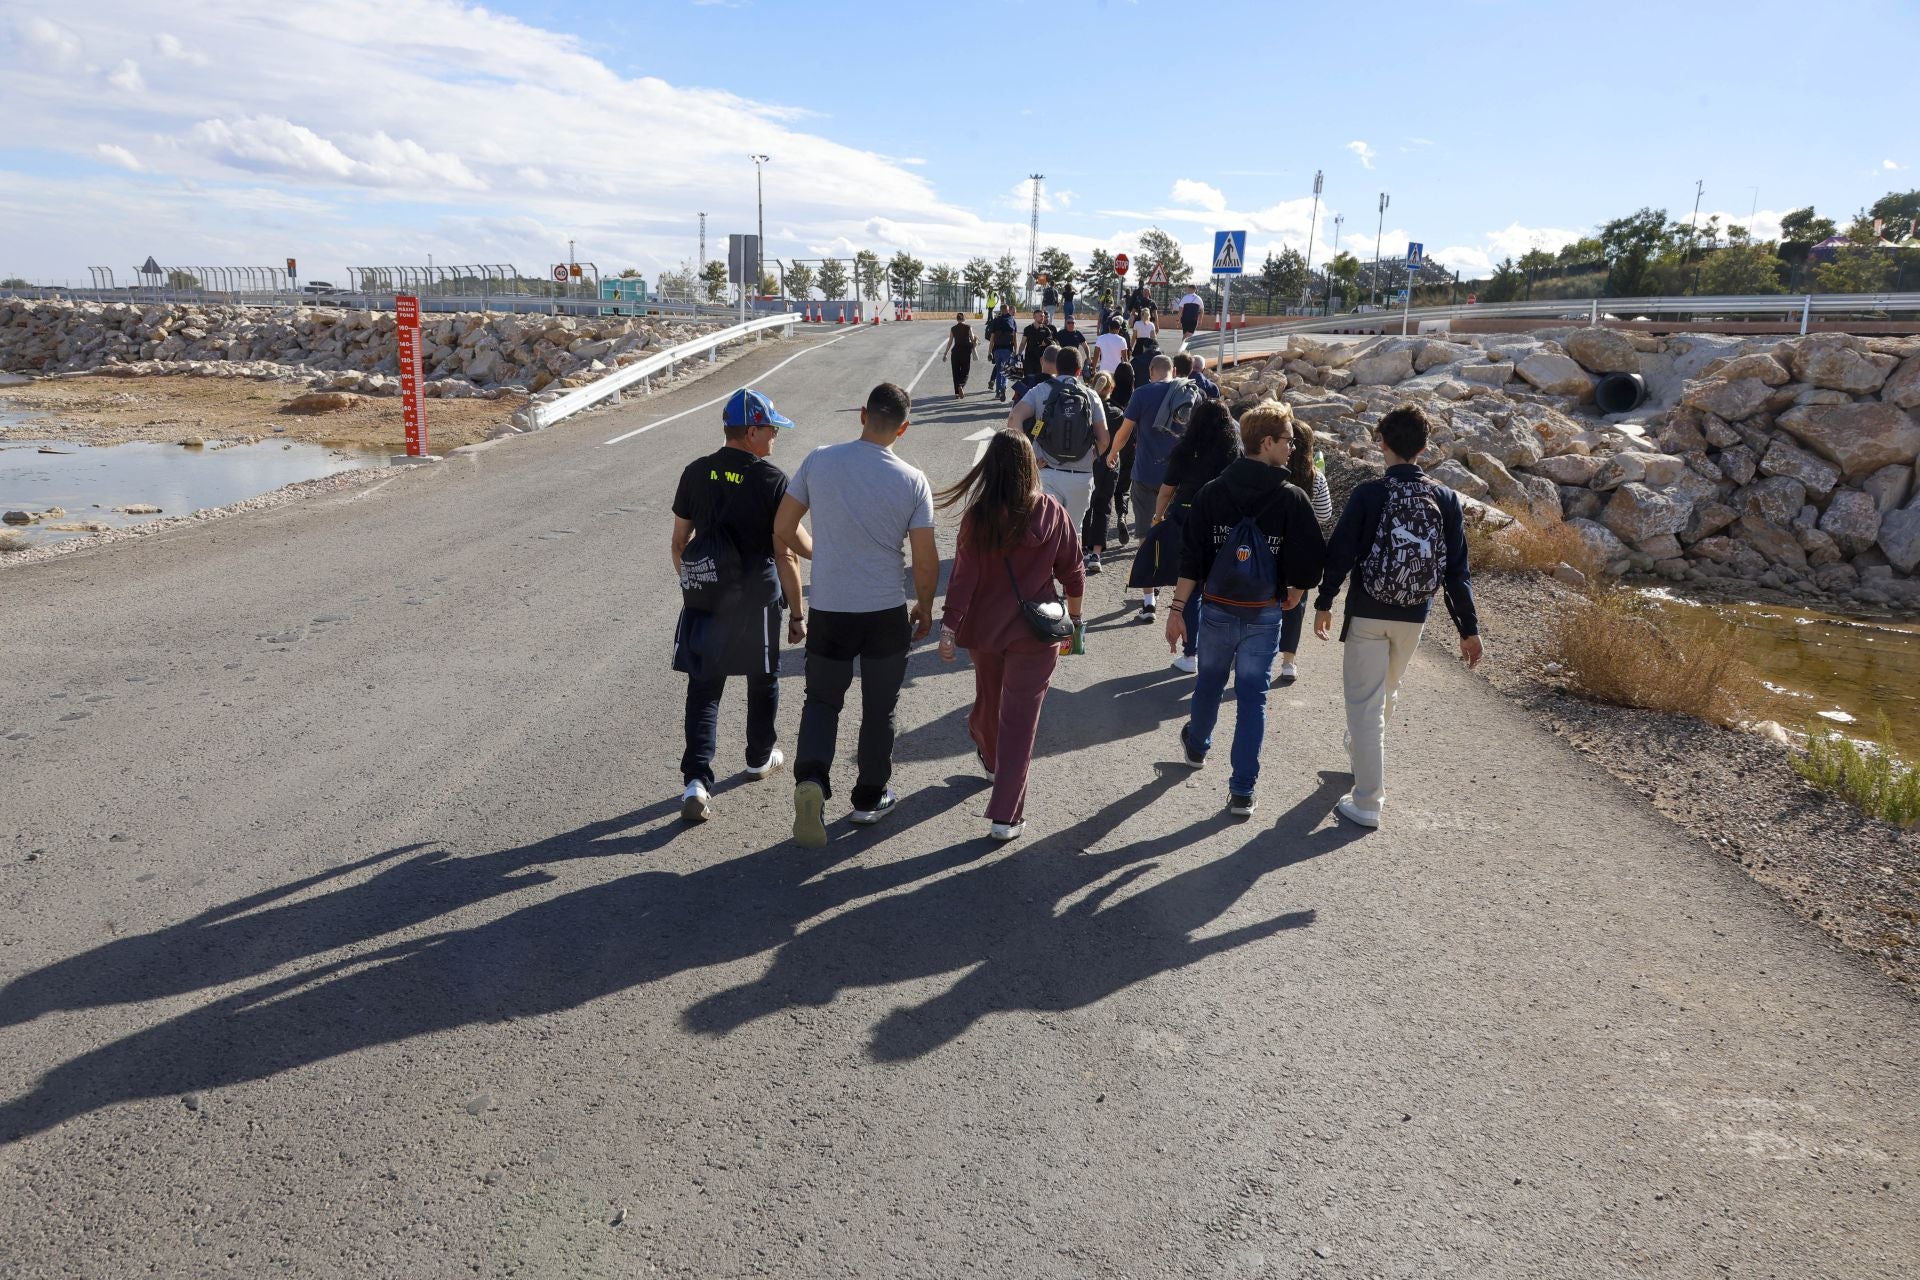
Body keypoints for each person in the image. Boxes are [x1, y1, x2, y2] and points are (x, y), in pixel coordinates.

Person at [774, 382, 938, 847]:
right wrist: (924, 606)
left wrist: (818, 550)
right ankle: (868, 797)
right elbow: (925, 559)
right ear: (903, 428)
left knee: (822, 701)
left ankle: (811, 780)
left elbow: (784, 528)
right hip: (884, 610)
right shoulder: (912, 479)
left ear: (862, 414)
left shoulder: (819, 460)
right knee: (879, 709)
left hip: (829, 608)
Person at [1313, 404, 1482, 830]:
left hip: (1369, 611)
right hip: (1414, 616)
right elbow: (1457, 570)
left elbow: (1341, 553)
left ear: (1382, 443)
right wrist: (1468, 629)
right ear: (1424, 448)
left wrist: (1325, 601)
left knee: (1365, 705)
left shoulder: (1370, 494)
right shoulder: (1445, 499)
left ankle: (1368, 801)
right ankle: (1360, 754)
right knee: (1384, 695)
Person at [1167, 401, 1327, 817]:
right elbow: (1312, 557)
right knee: (1252, 696)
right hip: (1264, 611)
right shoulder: (1291, 498)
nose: (1293, 447)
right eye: (1288, 440)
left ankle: (1198, 746)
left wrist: (1176, 608)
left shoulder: (1212, 493)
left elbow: (1192, 560)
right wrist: (1295, 590)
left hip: (1218, 606)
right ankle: (1242, 790)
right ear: (1267, 442)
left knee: (1210, 681)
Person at [937, 432, 1086, 841]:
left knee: (989, 699)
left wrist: (948, 630)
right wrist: (1074, 622)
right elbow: (1073, 572)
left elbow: (962, 580)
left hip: (986, 630)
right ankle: (1006, 815)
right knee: (1020, 720)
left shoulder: (977, 516)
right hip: (1036, 633)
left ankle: (989, 755)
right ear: (1028, 464)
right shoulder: (1052, 512)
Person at [670, 388, 808, 823]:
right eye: (771, 429)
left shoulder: (695, 472)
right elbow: (787, 551)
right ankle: (759, 756)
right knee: (763, 680)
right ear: (751, 431)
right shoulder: (771, 481)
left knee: (704, 689)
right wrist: (799, 613)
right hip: (757, 599)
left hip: (706, 598)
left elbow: (678, 543)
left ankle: (696, 782)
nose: (775, 437)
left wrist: (697, 583)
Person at [1104, 354, 1201, 621]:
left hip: (1146, 474)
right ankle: (1181, 601)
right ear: (1173, 371)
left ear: (1151, 370)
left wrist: (1112, 452)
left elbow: (1124, 432)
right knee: (1178, 536)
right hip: (1180, 479)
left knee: (1146, 536)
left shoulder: (1142, 394)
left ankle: (1149, 603)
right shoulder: (1192, 393)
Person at [1154, 398, 1241, 673]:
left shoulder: (1187, 448)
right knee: (1221, 590)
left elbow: (1168, 488)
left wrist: (1158, 516)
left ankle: (1190, 655)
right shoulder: (1235, 452)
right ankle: (1227, 652)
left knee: (1189, 585)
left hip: (1187, 518)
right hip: (1223, 523)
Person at [1007, 343, 1108, 541]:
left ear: (1056, 367)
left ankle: (1046, 571)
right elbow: (1104, 438)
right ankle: (1071, 571)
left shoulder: (1040, 390)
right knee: (1073, 532)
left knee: (1045, 531)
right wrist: (1091, 456)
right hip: (1081, 475)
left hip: (1047, 471)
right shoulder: (1091, 395)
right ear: (1079, 371)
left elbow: (1014, 418)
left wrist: (1028, 458)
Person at [1277, 419, 1334, 687]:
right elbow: (1324, 514)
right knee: (1295, 607)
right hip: (1301, 551)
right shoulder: (1315, 476)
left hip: (1273, 545)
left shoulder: (1273, 471)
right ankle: (1289, 662)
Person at [1082, 370, 1127, 570]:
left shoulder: (1085, 409)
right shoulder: (1117, 413)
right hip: (1109, 463)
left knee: (1085, 507)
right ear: (1111, 388)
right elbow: (1127, 440)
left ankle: (1081, 549)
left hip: (1087, 463)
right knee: (1103, 507)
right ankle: (1096, 554)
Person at [985, 305, 1019, 400]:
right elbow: (1014, 338)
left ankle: (998, 392)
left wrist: (989, 352)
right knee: (1006, 370)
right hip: (1007, 350)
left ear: (1000, 310)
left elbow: (992, 338)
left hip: (996, 350)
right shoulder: (1012, 320)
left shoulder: (996, 321)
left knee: (999, 371)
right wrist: (1015, 350)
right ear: (1008, 310)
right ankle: (1003, 386)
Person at [942, 312, 976, 398]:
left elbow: (950, 342)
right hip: (965, 352)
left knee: (955, 372)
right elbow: (972, 340)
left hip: (955, 352)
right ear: (964, 319)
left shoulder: (953, 328)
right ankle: (961, 385)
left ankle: (957, 393)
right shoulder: (968, 327)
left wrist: (945, 353)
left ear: (957, 319)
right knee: (965, 372)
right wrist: (975, 343)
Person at [1019, 309, 1058, 383]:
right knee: (1028, 382)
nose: (1042, 317)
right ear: (1034, 316)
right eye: (1040, 316)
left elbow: (1052, 341)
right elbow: (1023, 343)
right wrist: (1019, 354)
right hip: (1029, 361)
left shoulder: (1047, 330)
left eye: (1043, 316)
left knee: (1039, 383)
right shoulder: (1028, 329)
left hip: (1041, 362)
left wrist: (1047, 341)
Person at [1091, 315, 1130, 387]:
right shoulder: (1122, 340)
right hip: (1117, 371)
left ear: (1109, 328)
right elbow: (1125, 359)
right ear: (1119, 329)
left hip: (1103, 370)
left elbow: (1096, 355)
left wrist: (1093, 369)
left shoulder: (1101, 338)